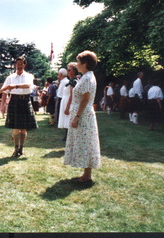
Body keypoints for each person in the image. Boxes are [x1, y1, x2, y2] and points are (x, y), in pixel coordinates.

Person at [64, 50, 101, 185]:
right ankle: (86, 174)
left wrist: (77, 117)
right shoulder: (86, 76)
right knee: (85, 143)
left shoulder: (87, 78)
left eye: (79, 62)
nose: (77, 64)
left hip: (83, 115)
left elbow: (85, 100)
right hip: (82, 113)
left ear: (85, 63)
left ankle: (87, 175)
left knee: (86, 143)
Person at [1, 56, 38, 157]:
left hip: (25, 101)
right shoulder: (10, 77)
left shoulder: (29, 76)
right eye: (18, 64)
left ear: (25, 64)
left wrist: (15, 86)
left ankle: (21, 148)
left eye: (21, 64)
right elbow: (4, 91)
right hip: (14, 101)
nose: (19, 66)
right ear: (15, 65)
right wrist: (2, 105)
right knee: (16, 128)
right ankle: (16, 148)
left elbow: (28, 85)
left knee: (24, 128)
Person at [58, 62, 78, 142]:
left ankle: (69, 136)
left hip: (69, 102)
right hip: (65, 100)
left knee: (68, 118)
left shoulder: (73, 81)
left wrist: (67, 107)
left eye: (69, 70)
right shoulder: (70, 80)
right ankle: (67, 135)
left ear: (74, 71)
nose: (68, 71)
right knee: (66, 119)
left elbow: (72, 95)